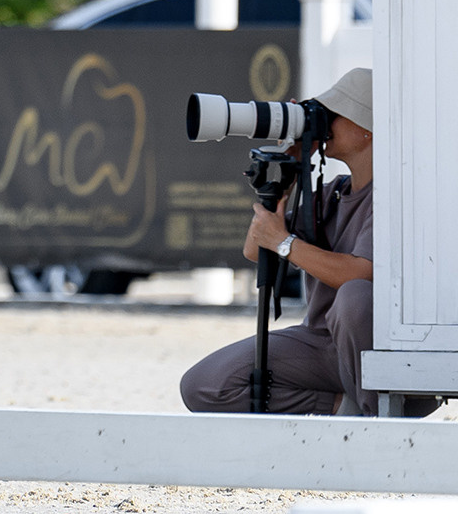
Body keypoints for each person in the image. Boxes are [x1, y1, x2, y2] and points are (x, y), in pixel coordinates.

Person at [178, 68, 429, 417]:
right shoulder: (332, 194)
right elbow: (255, 249)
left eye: (333, 115)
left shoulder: (397, 195)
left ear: (367, 130)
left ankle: (383, 419)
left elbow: (361, 274)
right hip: (323, 345)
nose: (323, 124)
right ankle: (344, 408)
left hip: (384, 347)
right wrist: (291, 166)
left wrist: (285, 243)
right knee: (204, 384)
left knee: (354, 296)